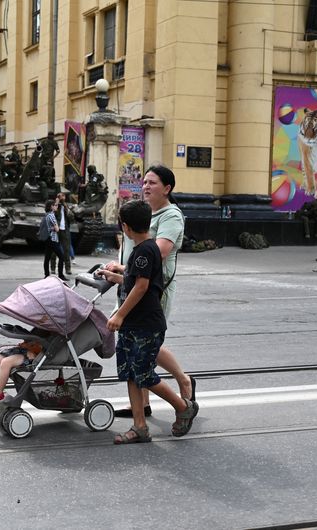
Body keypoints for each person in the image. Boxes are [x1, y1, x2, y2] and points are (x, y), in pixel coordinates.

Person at [96, 200, 199, 443]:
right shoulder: (144, 249)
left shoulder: (143, 251)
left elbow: (141, 287)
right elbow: (135, 281)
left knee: (143, 374)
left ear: (125, 227)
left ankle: (182, 406)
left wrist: (119, 314)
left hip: (145, 324)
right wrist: (115, 277)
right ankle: (140, 427)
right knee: (131, 373)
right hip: (134, 323)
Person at [114, 165, 195, 417]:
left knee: (146, 340)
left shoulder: (171, 215)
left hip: (153, 288)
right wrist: (118, 268)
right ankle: (142, 404)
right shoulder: (142, 212)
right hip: (131, 279)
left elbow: (159, 252)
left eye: (153, 183)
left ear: (167, 188)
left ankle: (183, 380)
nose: (146, 187)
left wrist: (125, 268)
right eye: (145, 182)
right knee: (141, 342)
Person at [43, 199, 68, 281]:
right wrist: (55, 226)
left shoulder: (46, 215)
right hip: (53, 239)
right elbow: (57, 229)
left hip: (48, 238)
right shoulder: (51, 215)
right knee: (61, 257)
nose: (57, 207)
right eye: (55, 205)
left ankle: (46, 275)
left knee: (47, 258)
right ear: (51, 207)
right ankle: (60, 275)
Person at [49, 192, 72, 275]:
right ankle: (52, 268)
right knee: (54, 250)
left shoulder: (66, 206)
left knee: (66, 250)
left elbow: (71, 217)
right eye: (60, 196)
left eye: (63, 196)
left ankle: (68, 269)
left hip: (65, 230)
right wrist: (57, 203)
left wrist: (65, 206)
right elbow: (51, 213)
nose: (62, 198)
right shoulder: (55, 206)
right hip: (56, 230)